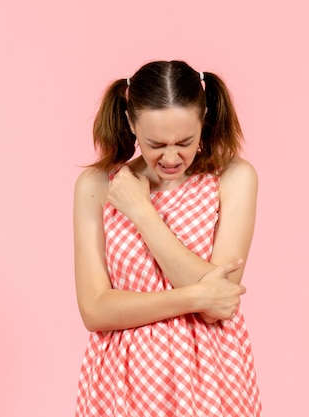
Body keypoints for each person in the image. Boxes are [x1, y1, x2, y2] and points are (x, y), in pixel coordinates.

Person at [74, 60, 262, 416]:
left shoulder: (234, 178)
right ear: (131, 123)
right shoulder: (98, 185)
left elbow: (217, 305)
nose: (172, 156)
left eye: (185, 142)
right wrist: (195, 295)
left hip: (211, 375)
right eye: (156, 144)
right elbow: (95, 310)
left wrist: (143, 213)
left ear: (203, 118)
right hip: (124, 379)